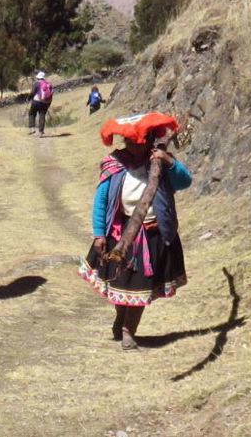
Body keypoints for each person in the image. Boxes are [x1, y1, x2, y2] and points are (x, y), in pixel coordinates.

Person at [78, 112, 191, 349]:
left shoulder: (159, 162)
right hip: (121, 234)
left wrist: (169, 162)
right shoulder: (114, 164)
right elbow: (101, 201)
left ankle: (129, 331)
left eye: (138, 143)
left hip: (154, 235)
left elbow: (184, 182)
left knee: (141, 288)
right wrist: (100, 234)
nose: (134, 147)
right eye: (129, 142)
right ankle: (121, 315)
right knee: (121, 283)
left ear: (148, 140)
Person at [27, 71, 54, 136]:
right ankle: (41, 132)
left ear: (38, 77)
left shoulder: (36, 83)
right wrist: (48, 103)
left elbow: (32, 92)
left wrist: (28, 98)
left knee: (31, 113)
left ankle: (32, 128)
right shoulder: (48, 84)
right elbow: (52, 93)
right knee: (42, 115)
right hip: (46, 102)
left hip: (36, 101)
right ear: (43, 78)